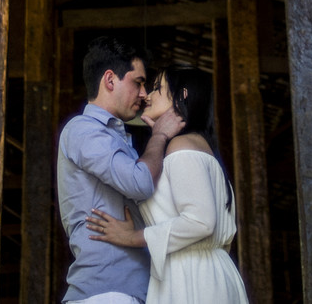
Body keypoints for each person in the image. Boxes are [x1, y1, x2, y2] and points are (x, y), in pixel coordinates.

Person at [85, 66, 249, 304]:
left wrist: (133, 238)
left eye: (157, 88)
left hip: (193, 277)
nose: (147, 96)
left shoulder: (181, 147)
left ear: (182, 96)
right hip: (204, 272)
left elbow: (200, 221)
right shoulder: (198, 146)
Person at [57, 36, 185, 304]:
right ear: (110, 80)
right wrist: (159, 136)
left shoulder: (115, 136)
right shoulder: (83, 130)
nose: (143, 93)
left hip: (127, 291)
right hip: (106, 292)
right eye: (138, 82)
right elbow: (139, 183)